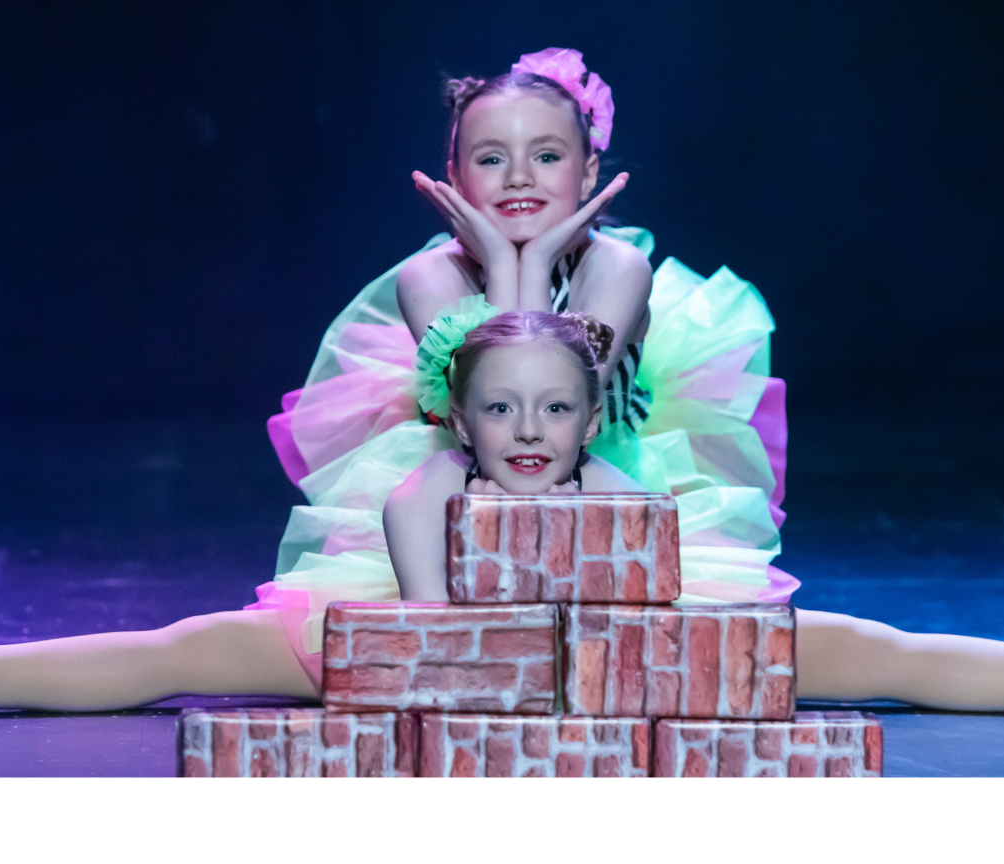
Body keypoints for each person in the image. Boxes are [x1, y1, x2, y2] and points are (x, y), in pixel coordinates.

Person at [0, 311, 1004, 717]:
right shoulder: (433, 483)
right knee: (192, 649)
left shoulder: (611, 482)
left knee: (867, 651)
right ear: (460, 418)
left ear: (589, 417)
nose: (527, 432)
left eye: (555, 410)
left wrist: (624, 592)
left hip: (604, 671)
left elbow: (647, 581)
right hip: (448, 670)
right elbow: (426, 607)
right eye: (501, 409)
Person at [258, 49, 795, 685]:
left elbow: (547, 386)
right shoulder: (429, 278)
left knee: (692, 658)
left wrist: (531, 263)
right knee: (390, 560)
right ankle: (434, 637)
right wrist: (506, 263)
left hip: (596, 477)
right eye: (491, 159)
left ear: (588, 171)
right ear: (455, 177)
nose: (518, 178)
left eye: (546, 156)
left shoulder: (617, 269)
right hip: (469, 484)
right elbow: (501, 399)